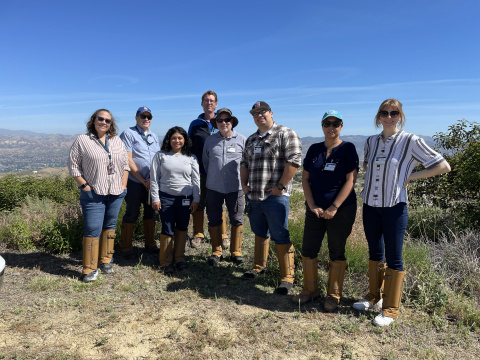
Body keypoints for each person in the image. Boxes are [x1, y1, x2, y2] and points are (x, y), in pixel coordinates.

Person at [352, 99, 451, 326]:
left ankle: (391, 309)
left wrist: (410, 177)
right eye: (384, 113)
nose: (389, 116)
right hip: (370, 204)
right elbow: (368, 166)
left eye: (393, 113)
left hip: (395, 206)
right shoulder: (370, 141)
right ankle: (374, 297)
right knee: (375, 252)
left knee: (394, 256)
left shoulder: (411, 141)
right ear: (379, 117)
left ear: (400, 116)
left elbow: (443, 165)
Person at [291, 110, 359, 312]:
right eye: (327, 124)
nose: (331, 127)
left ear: (341, 126)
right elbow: (305, 179)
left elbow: (351, 180)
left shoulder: (348, 148)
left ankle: (334, 294)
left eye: (335, 123)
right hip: (315, 209)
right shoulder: (314, 149)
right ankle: (310, 290)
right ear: (322, 126)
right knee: (309, 248)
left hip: (341, 209)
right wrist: (312, 205)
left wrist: (334, 207)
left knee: (336, 250)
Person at [240, 101, 302, 295]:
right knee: (259, 232)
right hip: (255, 196)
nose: (259, 115)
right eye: (255, 113)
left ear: (271, 113)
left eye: (263, 111)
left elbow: (294, 161)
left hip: (276, 197)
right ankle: (259, 266)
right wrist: (244, 185)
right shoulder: (251, 139)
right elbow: (244, 163)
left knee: (280, 235)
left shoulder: (285, 133)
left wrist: (280, 186)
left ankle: (287, 277)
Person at [68, 109, 129, 282]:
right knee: (92, 230)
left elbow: (125, 164)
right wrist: (85, 186)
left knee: (110, 226)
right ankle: (89, 269)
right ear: (93, 121)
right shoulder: (83, 140)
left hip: (116, 192)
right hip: (93, 193)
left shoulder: (116, 140)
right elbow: (73, 166)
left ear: (111, 124)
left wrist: (123, 185)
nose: (104, 122)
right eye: (100, 119)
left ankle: (106, 260)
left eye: (107, 120)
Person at [150, 126, 200, 274]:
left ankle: (179, 258)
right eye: (174, 138)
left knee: (182, 227)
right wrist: (155, 198)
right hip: (165, 198)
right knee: (167, 228)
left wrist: (196, 199)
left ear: (185, 140)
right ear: (168, 140)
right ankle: (165, 261)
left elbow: (196, 180)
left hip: (185, 198)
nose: (177, 141)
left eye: (180, 138)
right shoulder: (160, 155)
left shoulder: (191, 157)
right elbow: (154, 179)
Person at [203, 108, 247, 265]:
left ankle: (236, 252)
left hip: (235, 188)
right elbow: (206, 162)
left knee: (237, 218)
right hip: (214, 187)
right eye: (220, 120)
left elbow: (246, 164)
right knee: (214, 218)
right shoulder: (210, 140)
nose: (223, 123)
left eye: (227, 120)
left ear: (232, 122)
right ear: (216, 123)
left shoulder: (242, 140)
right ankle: (216, 251)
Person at [188, 90, 228, 248]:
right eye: (206, 100)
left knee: (220, 203)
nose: (209, 103)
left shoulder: (222, 123)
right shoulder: (195, 124)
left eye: (212, 100)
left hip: (219, 171)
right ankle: (198, 233)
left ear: (216, 104)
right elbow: (189, 146)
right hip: (200, 170)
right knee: (199, 201)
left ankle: (223, 234)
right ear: (202, 104)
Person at [119, 106, 161, 257]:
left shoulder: (154, 136)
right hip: (135, 181)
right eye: (143, 116)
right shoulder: (128, 134)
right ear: (136, 117)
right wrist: (143, 180)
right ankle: (126, 247)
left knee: (151, 212)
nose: (146, 119)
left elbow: (158, 159)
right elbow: (127, 159)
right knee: (132, 212)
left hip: (151, 181)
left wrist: (152, 179)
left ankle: (150, 244)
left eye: (149, 117)